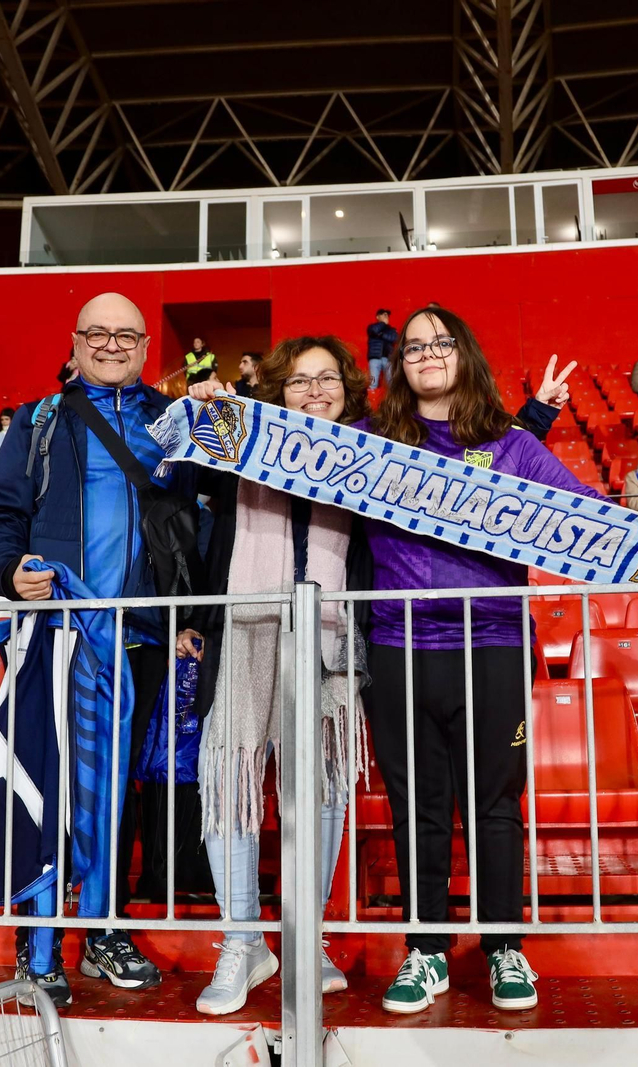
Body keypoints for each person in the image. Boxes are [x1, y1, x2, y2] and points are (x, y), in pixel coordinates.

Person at [357, 307, 587, 1016]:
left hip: (489, 644)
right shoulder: (368, 443)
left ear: (465, 355)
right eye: (415, 345)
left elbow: (588, 510)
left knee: (494, 804)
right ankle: (426, 951)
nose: (427, 353)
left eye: (441, 342)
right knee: (416, 808)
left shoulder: (512, 446)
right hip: (398, 648)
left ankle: (503, 947)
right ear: (400, 364)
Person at [0, 292, 200, 1006]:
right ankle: (39, 938)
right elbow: (1, 517)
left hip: (137, 641)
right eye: (97, 333)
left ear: (144, 347)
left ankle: (102, 929)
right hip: (60, 638)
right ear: (74, 343)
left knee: (117, 800)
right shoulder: (38, 422)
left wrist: (187, 616)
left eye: (126, 334)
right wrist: (10, 571)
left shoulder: (170, 424)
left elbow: (204, 518)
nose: (111, 344)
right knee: (52, 784)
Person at [174, 336, 371, 1015]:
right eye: (297, 380)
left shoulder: (370, 455)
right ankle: (242, 940)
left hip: (332, 629)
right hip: (244, 621)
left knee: (320, 787)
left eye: (327, 378)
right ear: (276, 390)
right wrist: (202, 408)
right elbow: (181, 480)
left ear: (348, 388)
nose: (313, 390)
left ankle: (304, 936)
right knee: (231, 774)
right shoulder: (243, 441)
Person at [366, 308, 399, 389]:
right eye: (384, 315)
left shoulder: (391, 329)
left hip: (387, 359)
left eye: (387, 315)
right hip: (375, 358)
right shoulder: (372, 327)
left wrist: (380, 335)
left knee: (391, 384)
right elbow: (374, 331)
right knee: (372, 384)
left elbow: (394, 338)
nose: (386, 316)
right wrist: (382, 323)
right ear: (378, 317)